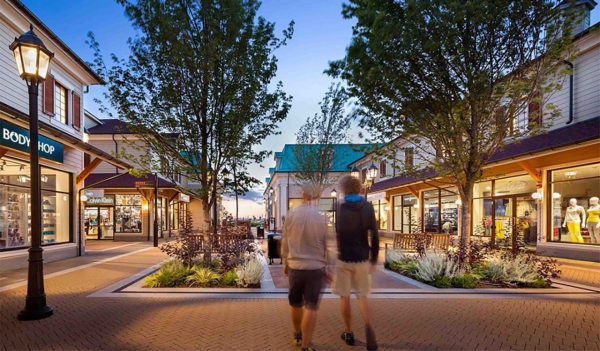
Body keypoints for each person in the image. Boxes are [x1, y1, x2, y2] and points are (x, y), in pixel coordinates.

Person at [281, 183, 329, 351]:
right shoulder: (321, 217)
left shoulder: (291, 214)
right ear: (317, 196)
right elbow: (326, 244)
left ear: (303, 195)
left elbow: (285, 241)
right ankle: (306, 346)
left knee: (295, 303)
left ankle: (297, 335)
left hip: (295, 265)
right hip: (315, 267)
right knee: (311, 306)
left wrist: (285, 262)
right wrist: (328, 267)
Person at [333, 175, 379, 351]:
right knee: (362, 296)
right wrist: (373, 259)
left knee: (345, 296)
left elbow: (338, 233)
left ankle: (349, 332)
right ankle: (369, 328)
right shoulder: (367, 207)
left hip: (344, 257)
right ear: (360, 188)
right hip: (361, 257)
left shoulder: (340, 207)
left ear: (344, 189)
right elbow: (374, 234)